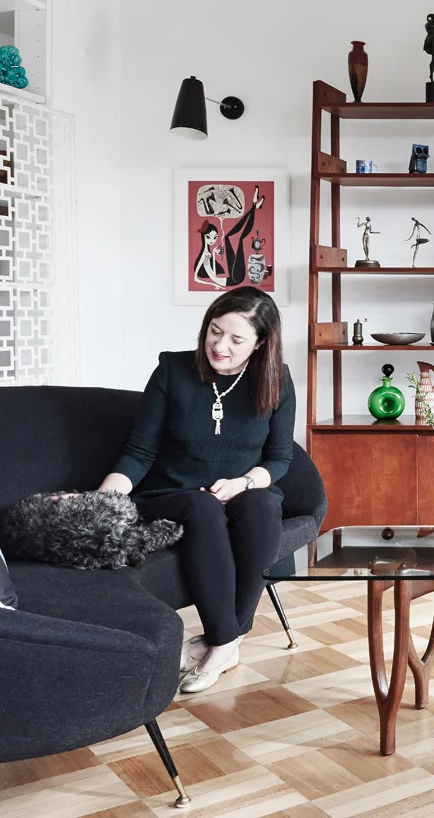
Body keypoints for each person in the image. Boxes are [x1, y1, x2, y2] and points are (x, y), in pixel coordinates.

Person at [99, 287, 295, 694]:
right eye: (214, 331)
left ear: (260, 344)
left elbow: (279, 459)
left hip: (241, 493)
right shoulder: (172, 371)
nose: (220, 345)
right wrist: (102, 500)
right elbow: (139, 451)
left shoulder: (277, 381)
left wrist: (244, 482)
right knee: (202, 506)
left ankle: (222, 642)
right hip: (175, 495)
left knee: (261, 506)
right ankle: (225, 641)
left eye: (236, 339)